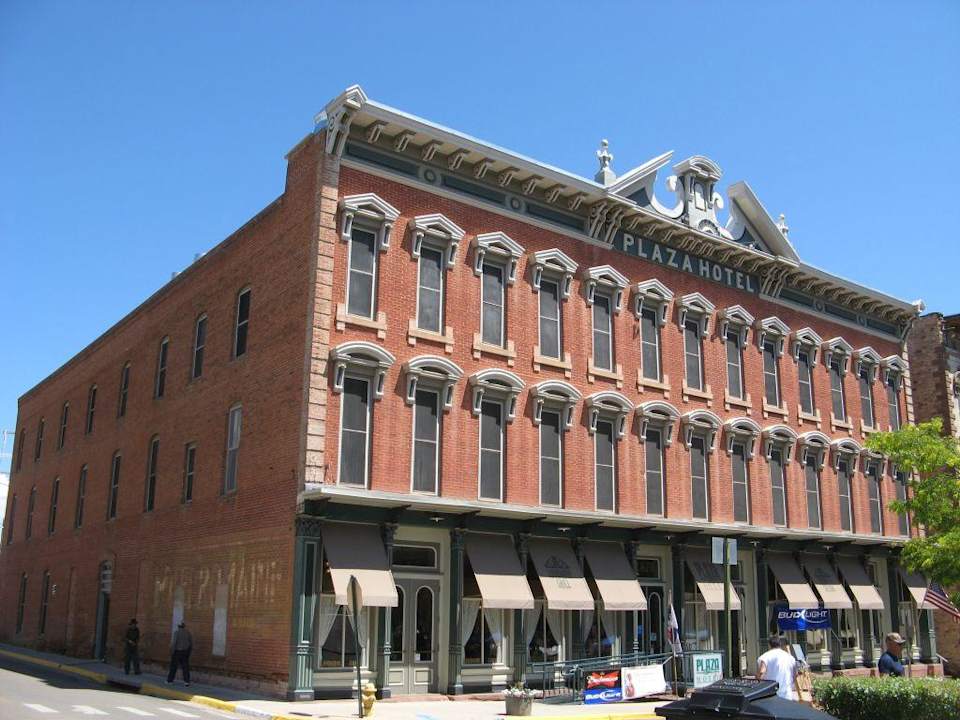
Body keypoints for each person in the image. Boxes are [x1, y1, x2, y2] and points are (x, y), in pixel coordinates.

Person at [757, 635, 798, 701]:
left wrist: (758, 681)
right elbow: (795, 674)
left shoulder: (765, 656)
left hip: (771, 694)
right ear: (780, 644)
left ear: (769, 645)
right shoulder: (790, 658)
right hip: (787, 694)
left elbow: (761, 672)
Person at [166, 621, 193, 686]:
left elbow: (174, 643)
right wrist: (188, 652)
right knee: (185, 667)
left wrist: (172, 652)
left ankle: (170, 681)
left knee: (173, 667)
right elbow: (191, 643)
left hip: (177, 652)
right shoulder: (188, 633)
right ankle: (187, 682)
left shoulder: (176, 633)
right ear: (184, 626)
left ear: (178, 626)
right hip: (185, 652)